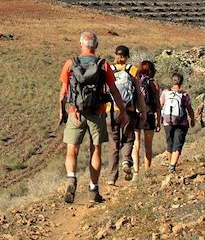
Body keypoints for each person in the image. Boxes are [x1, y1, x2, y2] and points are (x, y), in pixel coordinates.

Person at [59, 31, 130, 204]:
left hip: (75, 112)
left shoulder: (71, 63)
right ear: (96, 45)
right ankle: (93, 190)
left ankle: (71, 178)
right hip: (97, 112)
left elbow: (64, 91)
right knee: (95, 150)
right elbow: (114, 91)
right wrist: (123, 111)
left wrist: (62, 111)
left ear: (80, 44)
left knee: (72, 149)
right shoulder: (103, 64)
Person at [105, 45, 146, 185]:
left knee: (113, 144)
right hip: (129, 111)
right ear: (127, 56)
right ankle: (126, 161)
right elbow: (139, 93)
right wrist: (143, 111)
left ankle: (111, 178)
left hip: (111, 111)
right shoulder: (133, 70)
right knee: (129, 139)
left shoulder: (109, 70)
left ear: (115, 55)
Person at [131, 59, 161, 179]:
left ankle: (136, 172)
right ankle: (147, 171)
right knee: (148, 145)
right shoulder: (154, 84)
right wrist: (158, 120)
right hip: (148, 115)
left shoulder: (135, 81)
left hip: (136, 114)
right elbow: (158, 105)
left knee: (135, 143)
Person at [160, 72, 195, 172]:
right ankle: (172, 166)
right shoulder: (184, 94)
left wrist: (158, 120)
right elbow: (189, 108)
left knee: (169, 144)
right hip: (181, 122)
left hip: (167, 122)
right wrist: (192, 119)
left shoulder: (165, 93)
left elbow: (160, 106)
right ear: (182, 82)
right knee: (178, 144)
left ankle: (170, 165)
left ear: (172, 81)